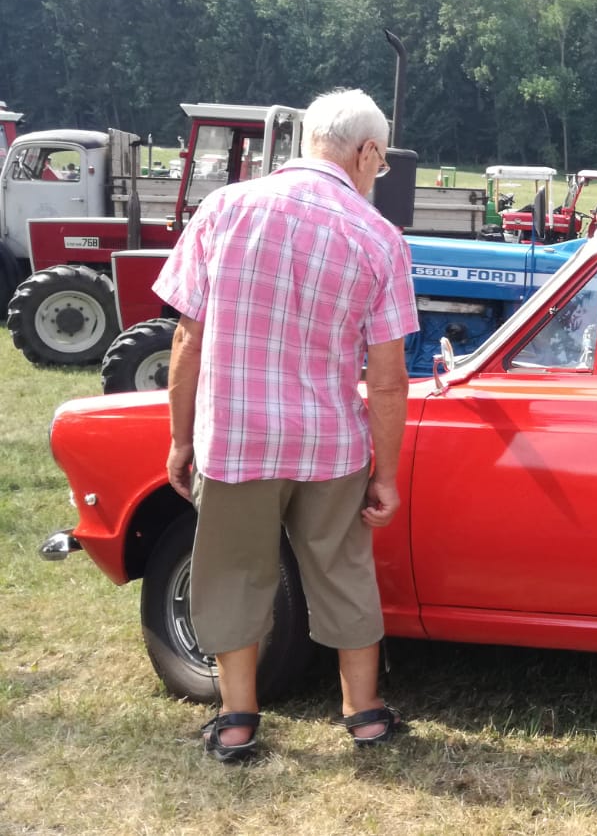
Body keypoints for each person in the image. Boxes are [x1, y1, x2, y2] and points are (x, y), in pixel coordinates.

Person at [154, 88, 420, 763]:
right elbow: (388, 377)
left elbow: (187, 340)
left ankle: (238, 719)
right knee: (343, 569)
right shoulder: (379, 238)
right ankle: (364, 715)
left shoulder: (223, 210)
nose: (376, 176)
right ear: (367, 152)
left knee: (233, 572)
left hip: (235, 439)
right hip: (331, 445)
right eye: (379, 166)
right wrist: (386, 475)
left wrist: (182, 438)